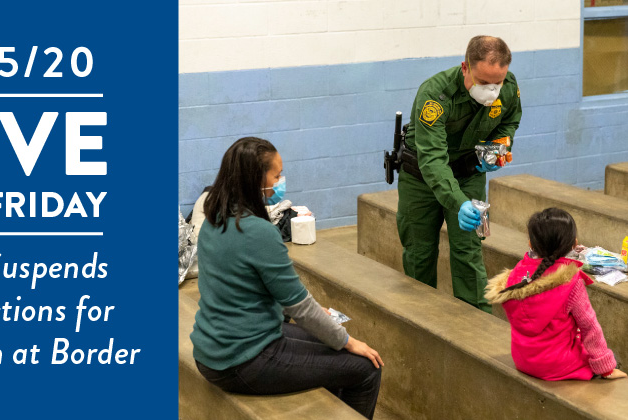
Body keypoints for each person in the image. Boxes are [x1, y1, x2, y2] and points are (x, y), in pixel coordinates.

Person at [190, 137, 384, 419]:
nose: (281, 181)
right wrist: (348, 341)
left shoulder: (214, 219)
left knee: (326, 341)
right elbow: (299, 306)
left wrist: (324, 321)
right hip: (241, 361)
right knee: (366, 369)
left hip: (212, 352)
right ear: (257, 179)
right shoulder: (258, 232)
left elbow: (242, 287)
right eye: (277, 175)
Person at [396, 35, 522, 313]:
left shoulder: (509, 87)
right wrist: (458, 202)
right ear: (465, 67)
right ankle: (420, 320)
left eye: (497, 83)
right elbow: (432, 161)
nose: (491, 90)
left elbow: (510, 121)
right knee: (419, 252)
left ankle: (477, 322)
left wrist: (498, 146)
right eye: (483, 82)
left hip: (470, 174)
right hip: (422, 179)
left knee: (469, 251)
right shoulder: (434, 94)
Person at [485, 208, 627, 381]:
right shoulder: (570, 282)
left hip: (523, 359)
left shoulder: (517, 274)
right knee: (613, 358)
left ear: (530, 244)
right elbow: (590, 327)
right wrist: (606, 369)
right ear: (574, 244)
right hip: (557, 364)